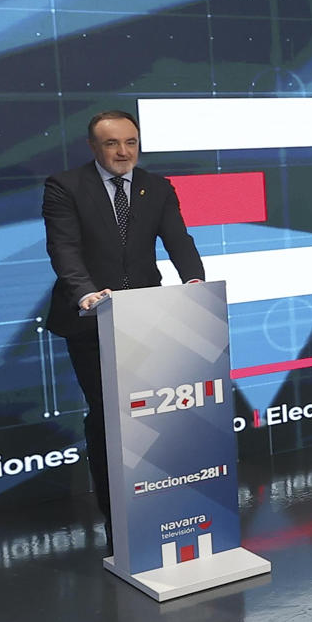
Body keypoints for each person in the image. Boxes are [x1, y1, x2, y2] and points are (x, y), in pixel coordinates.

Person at [43, 109, 206, 538]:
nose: (123, 152)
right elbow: (64, 249)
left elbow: (179, 240)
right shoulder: (65, 187)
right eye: (112, 143)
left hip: (149, 319)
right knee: (108, 417)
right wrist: (86, 293)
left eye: (130, 142)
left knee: (152, 415)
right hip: (91, 321)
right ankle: (118, 520)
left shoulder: (157, 186)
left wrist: (195, 283)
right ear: (93, 146)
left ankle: (157, 504)